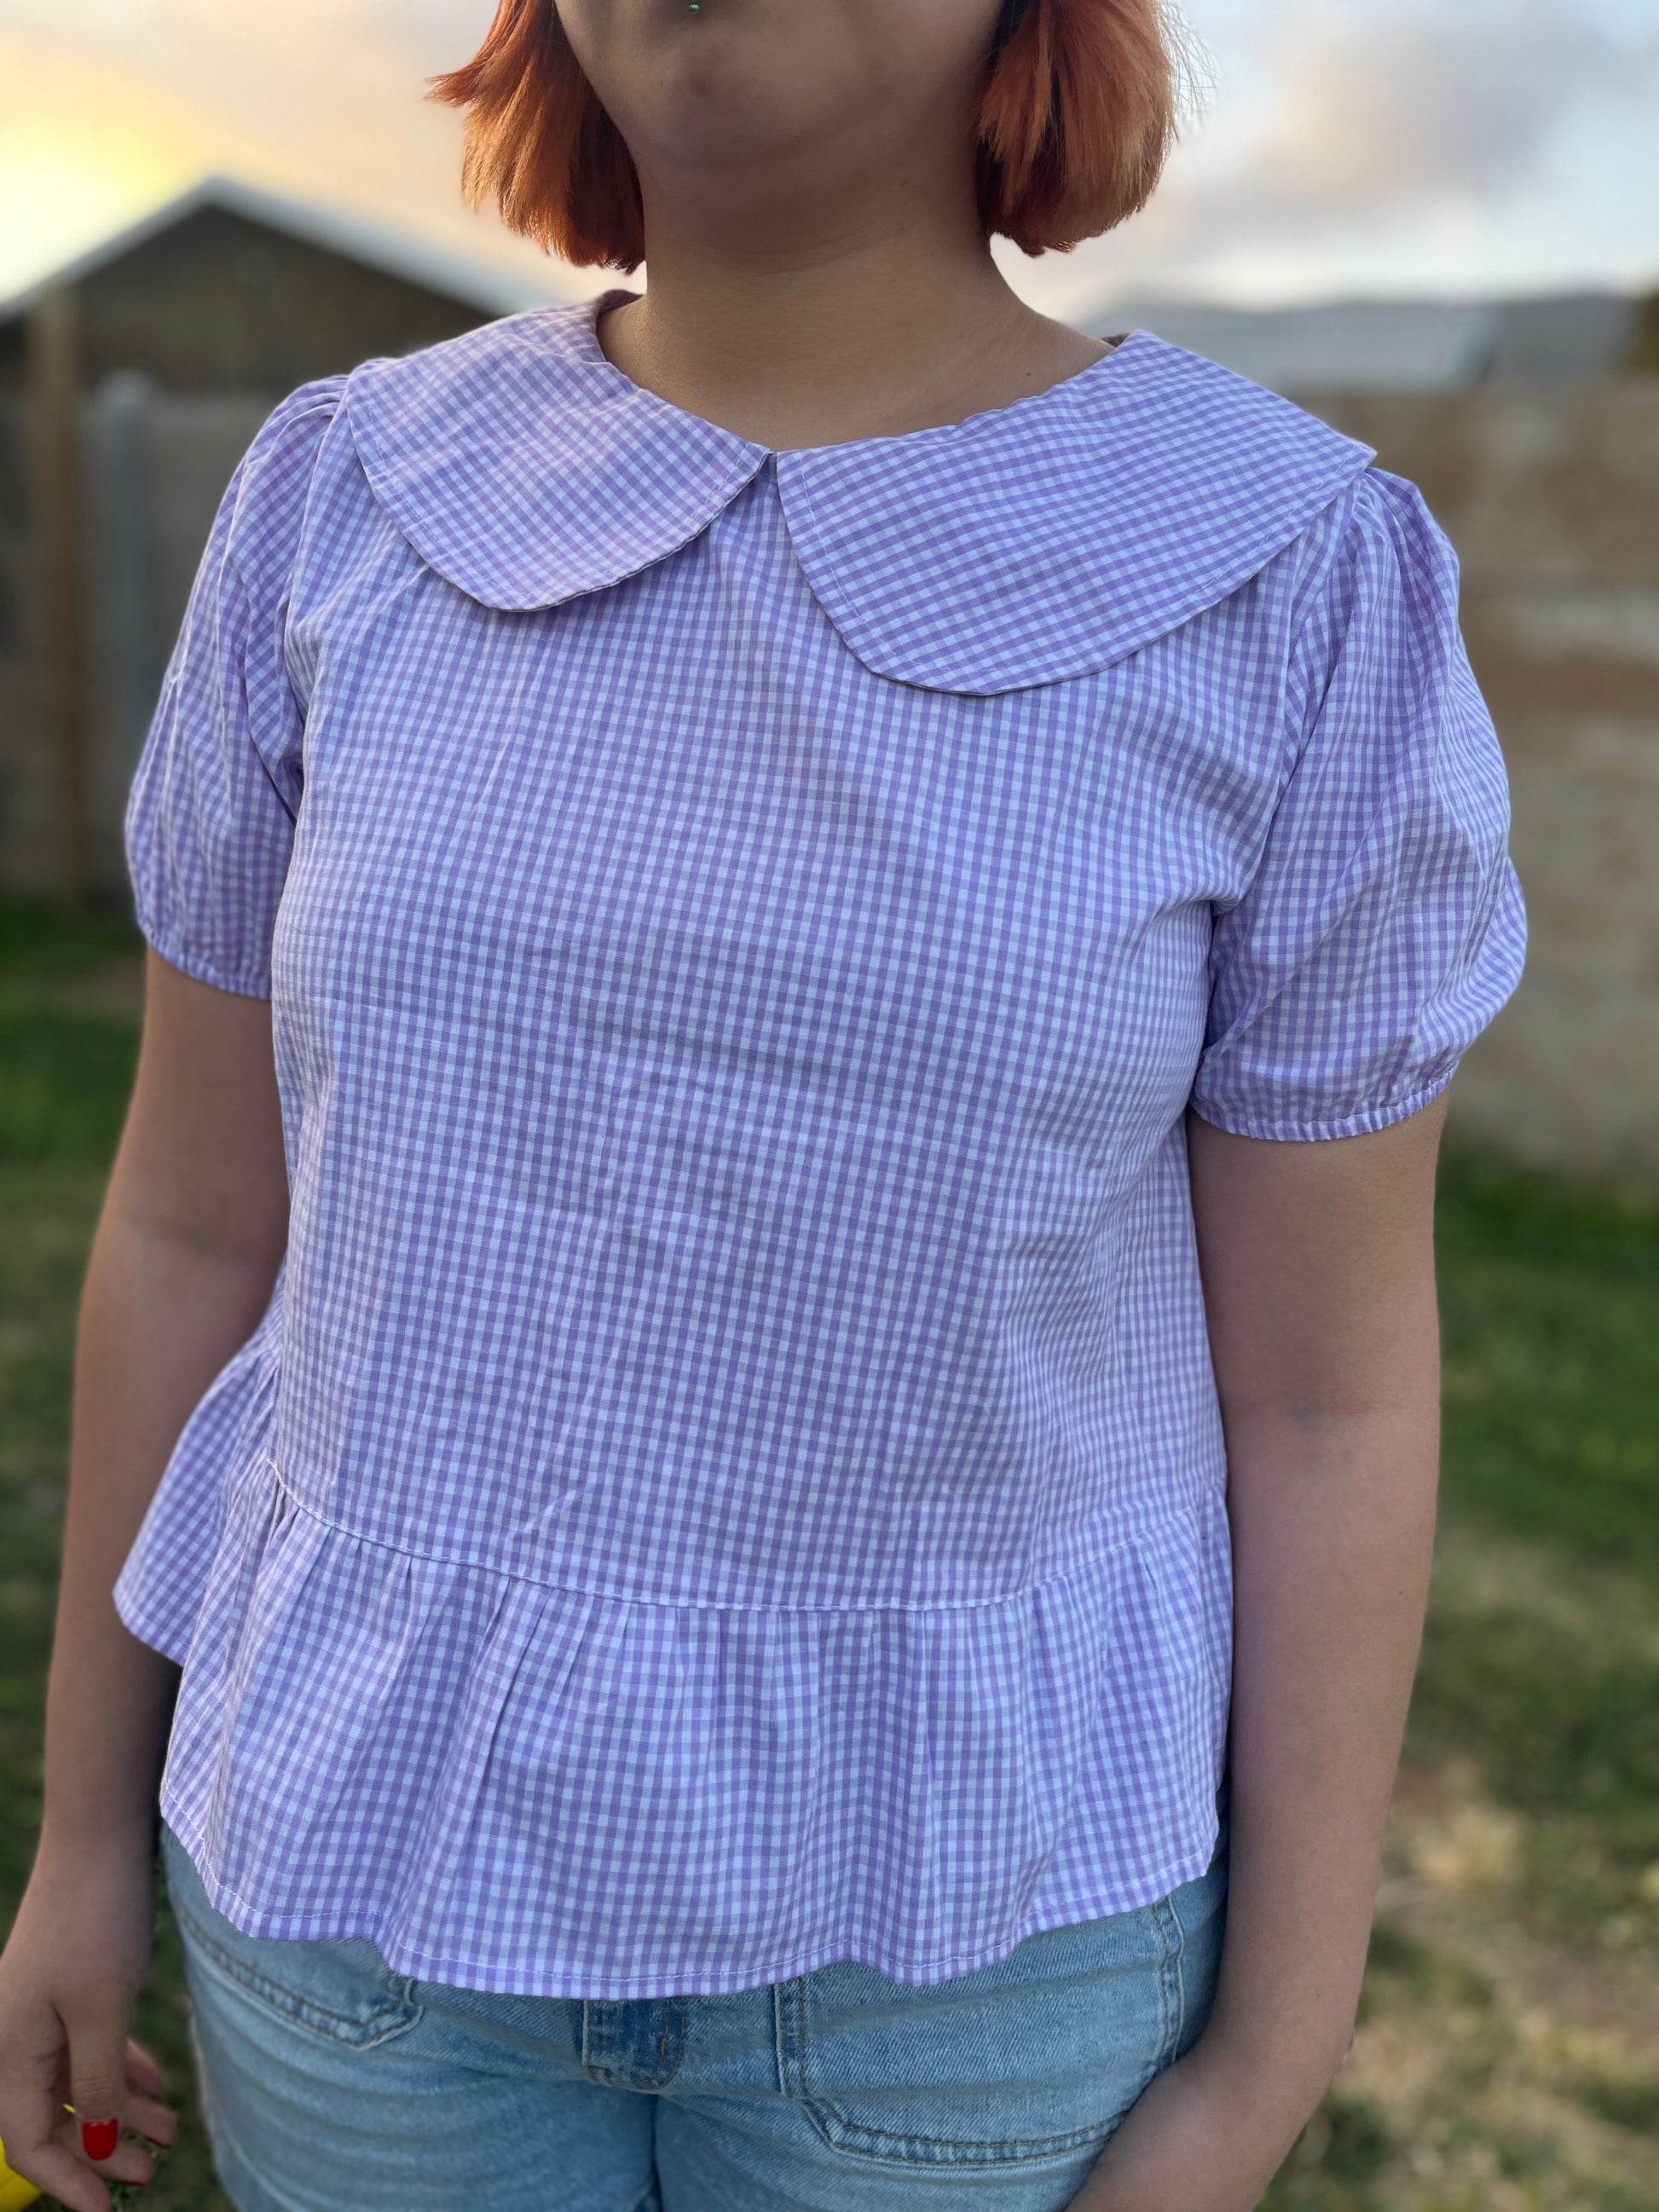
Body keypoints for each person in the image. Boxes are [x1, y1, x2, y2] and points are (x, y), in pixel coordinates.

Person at [0, 3, 1526, 2207]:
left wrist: (1269, 2054)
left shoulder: (1287, 576)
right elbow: (190, 1231)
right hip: (349, 1903)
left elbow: (1325, 1398)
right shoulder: (338, 497)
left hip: (979, 1955)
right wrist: (78, 1840)